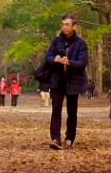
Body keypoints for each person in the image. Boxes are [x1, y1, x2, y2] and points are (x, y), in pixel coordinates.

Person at [37, 14, 90, 149]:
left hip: (74, 81)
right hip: (57, 80)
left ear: (74, 26)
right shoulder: (56, 41)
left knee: (72, 112)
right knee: (56, 110)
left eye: (67, 24)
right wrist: (54, 58)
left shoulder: (81, 43)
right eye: (63, 24)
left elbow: (83, 62)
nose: (64, 27)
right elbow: (47, 56)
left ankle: (69, 139)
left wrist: (70, 62)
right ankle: (55, 138)